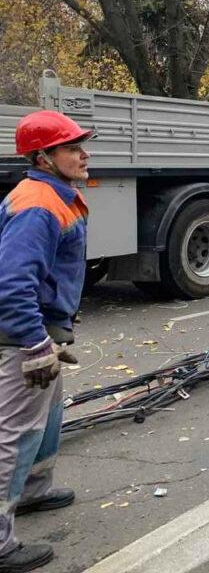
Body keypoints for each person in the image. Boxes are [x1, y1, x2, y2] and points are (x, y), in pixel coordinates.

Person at [0, 111, 94, 572]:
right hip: (23, 338)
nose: (83, 153)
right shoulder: (38, 204)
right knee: (14, 435)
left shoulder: (53, 194)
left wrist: (49, 338)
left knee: (49, 417)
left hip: (42, 331)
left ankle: (35, 490)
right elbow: (13, 284)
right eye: (72, 147)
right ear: (44, 157)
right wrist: (35, 347)